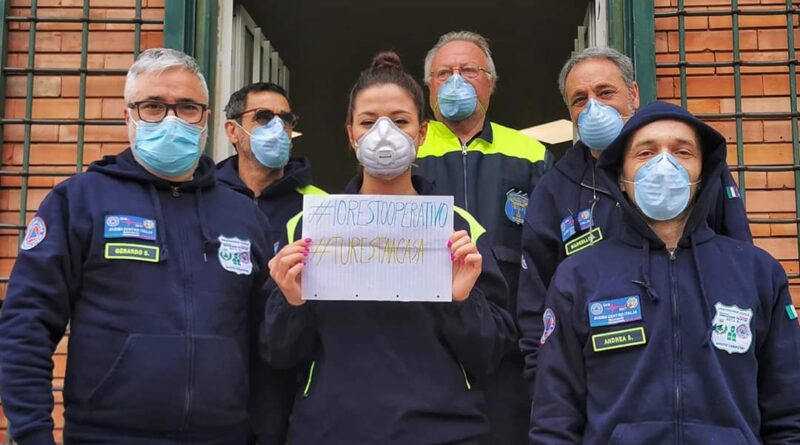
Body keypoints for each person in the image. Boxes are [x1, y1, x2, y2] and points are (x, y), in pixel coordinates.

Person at [0, 48, 276, 445]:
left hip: (223, 436)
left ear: (206, 119)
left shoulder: (242, 214)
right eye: (152, 106)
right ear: (127, 115)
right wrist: (31, 434)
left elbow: (269, 340)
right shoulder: (78, 202)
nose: (171, 119)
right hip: (106, 436)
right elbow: (25, 325)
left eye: (187, 108)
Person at [261, 51, 516, 445]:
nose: (385, 134)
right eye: (368, 122)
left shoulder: (459, 229)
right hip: (331, 432)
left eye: (399, 121)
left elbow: (491, 354)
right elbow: (279, 355)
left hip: (445, 431)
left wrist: (461, 300)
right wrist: (291, 304)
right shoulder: (309, 227)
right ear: (350, 134)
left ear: (422, 132)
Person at [529, 101, 800, 444]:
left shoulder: (758, 273)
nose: (664, 164)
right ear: (621, 179)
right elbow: (555, 419)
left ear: (702, 175)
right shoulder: (579, 277)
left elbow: (789, 414)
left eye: (682, 151)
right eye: (645, 153)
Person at [516, 47, 752, 397]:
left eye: (605, 92)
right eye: (579, 99)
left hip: (696, 368)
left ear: (634, 94)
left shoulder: (688, 173)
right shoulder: (555, 187)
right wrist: (543, 380)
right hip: (600, 376)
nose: (593, 107)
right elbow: (537, 291)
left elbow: (738, 263)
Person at [414, 30, 552, 444]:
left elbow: (547, 254)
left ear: (491, 82)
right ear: (429, 87)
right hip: (425, 348)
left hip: (508, 352)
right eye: (444, 73)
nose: (456, 80)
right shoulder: (407, 148)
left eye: (469, 70)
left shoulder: (531, 152)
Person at [219, 81, 325, 253]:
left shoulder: (320, 205)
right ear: (233, 131)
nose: (278, 127)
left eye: (285, 119)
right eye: (263, 117)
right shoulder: (207, 198)